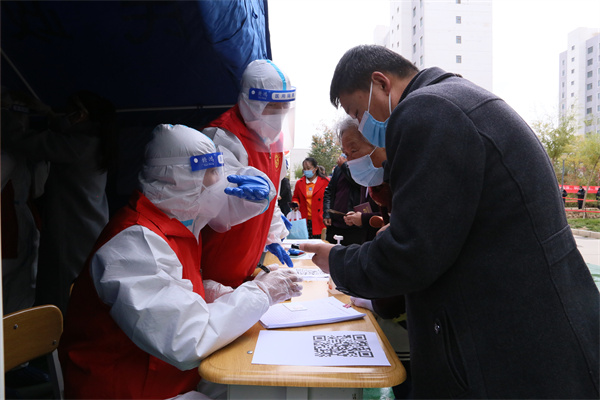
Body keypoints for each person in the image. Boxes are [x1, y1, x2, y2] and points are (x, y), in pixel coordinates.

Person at [301, 45, 599, 398]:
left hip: (511, 351)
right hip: (534, 334)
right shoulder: (456, 100)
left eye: (358, 112)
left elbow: (411, 252)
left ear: (380, 83)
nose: (364, 126)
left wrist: (335, 261)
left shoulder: (427, 110)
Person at [58, 124, 303, 399]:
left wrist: (212, 292)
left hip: (165, 377)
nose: (221, 182)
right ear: (181, 180)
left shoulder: (175, 226)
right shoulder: (134, 243)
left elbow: (169, 288)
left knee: (263, 384)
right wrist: (260, 293)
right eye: (212, 173)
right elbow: (186, 338)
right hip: (126, 389)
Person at [4, 90, 118, 314]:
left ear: (81, 115)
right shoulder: (95, 142)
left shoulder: (77, 146)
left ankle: (57, 336)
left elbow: (23, 141)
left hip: (72, 235)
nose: (65, 116)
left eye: (69, 112)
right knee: (78, 293)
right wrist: (48, 113)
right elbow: (63, 130)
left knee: (60, 297)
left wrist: (3, 113)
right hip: (89, 229)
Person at [201, 59, 295, 288]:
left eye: (284, 106)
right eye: (272, 106)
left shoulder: (276, 141)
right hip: (217, 264)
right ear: (250, 102)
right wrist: (246, 199)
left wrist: (272, 234)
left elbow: (271, 199)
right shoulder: (221, 136)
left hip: (247, 263)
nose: (279, 113)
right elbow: (215, 209)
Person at [323, 152, 366, 245]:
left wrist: (344, 166)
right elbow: (329, 191)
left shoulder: (361, 168)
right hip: (335, 224)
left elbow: (358, 184)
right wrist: (327, 213)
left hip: (353, 225)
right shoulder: (338, 169)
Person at [292, 157, 329, 239]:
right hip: (304, 220)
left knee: (319, 244)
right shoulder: (299, 183)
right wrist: (295, 203)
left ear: (316, 168)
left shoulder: (325, 182)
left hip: (320, 219)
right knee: (305, 243)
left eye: (308, 168)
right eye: (304, 169)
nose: (306, 171)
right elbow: (295, 197)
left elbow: (330, 199)